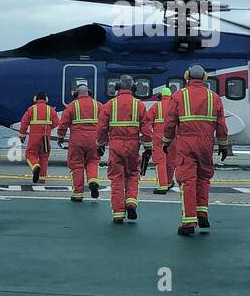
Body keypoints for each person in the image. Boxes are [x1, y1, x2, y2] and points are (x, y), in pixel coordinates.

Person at [162, 64, 229, 236]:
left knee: (187, 180)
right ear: (205, 78)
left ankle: (188, 222)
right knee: (204, 178)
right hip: (206, 144)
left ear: (187, 77)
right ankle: (202, 213)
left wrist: (166, 141)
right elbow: (221, 124)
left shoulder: (179, 96)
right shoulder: (214, 97)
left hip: (186, 142)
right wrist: (223, 144)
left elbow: (170, 122)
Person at [96, 74, 152, 223]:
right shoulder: (139, 105)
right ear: (133, 88)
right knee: (133, 174)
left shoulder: (110, 104)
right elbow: (146, 129)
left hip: (116, 146)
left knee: (117, 178)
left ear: (118, 88)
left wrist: (100, 144)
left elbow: (102, 127)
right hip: (133, 145)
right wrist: (148, 147)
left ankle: (118, 214)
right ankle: (131, 202)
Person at [56, 83, 102, 201]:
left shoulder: (72, 106)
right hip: (94, 140)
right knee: (93, 161)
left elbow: (63, 125)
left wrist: (60, 138)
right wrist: (103, 139)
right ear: (89, 93)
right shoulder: (98, 105)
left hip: (77, 140)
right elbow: (105, 123)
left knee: (77, 165)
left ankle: (78, 194)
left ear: (76, 94)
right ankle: (92, 180)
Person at [19, 92, 59, 186]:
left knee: (30, 154)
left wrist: (22, 135)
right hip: (46, 138)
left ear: (35, 99)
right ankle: (42, 178)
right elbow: (57, 123)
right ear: (46, 99)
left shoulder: (31, 109)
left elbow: (24, 122)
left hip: (34, 137)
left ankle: (35, 166)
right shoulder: (51, 110)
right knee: (44, 157)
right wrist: (48, 128)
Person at [146, 86, 176, 194]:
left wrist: (147, 137)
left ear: (160, 96)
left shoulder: (156, 106)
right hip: (173, 136)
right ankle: (168, 183)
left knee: (160, 161)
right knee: (171, 161)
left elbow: (147, 123)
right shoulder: (175, 106)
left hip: (158, 136)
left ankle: (162, 186)